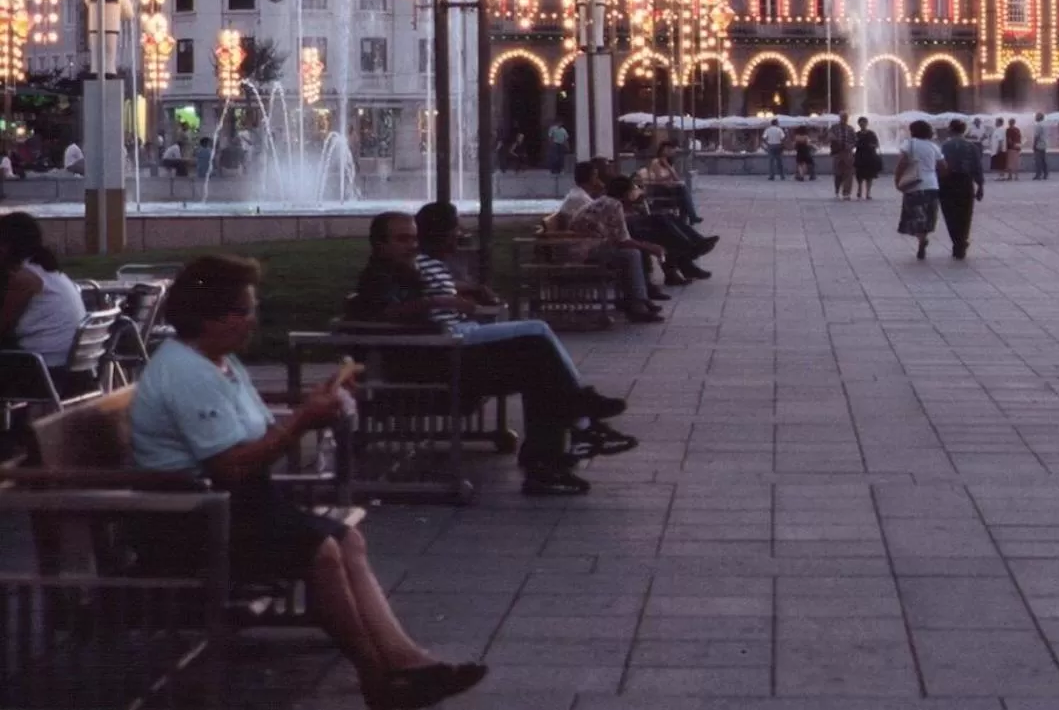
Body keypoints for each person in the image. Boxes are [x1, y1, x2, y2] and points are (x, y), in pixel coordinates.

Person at [131, 255, 488, 709]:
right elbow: (230, 467)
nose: (253, 321)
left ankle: (406, 660)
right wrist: (303, 421)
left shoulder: (218, 362)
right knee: (320, 552)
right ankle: (376, 676)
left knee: (347, 540)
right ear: (210, 317)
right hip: (193, 520)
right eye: (245, 311)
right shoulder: (187, 374)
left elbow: (257, 431)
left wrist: (314, 404)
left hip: (235, 506)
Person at [352, 212, 628, 495]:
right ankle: (566, 431)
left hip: (442, 358)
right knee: (535, 352)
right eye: (402, 239)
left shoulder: (401, 271)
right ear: (380, 244)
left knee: (536, 357)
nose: (412, 246)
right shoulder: (377, 278)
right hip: (426, 371)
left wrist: (447, 298)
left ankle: (551, 454)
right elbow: (384, 314)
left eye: (414, 239)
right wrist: (436, 301)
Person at [554, 164, 667, 321]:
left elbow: (616, 237)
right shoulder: (614, 205)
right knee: (632, 254)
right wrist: (651, 248)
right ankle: (637, 305)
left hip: (583, 247)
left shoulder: (604, 201)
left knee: (631, 252)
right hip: (583, 252)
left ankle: (637, 299)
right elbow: (623, 240)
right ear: (625, 193)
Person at [0, 212, 85, 382]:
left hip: (44, 369)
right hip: (70, 367)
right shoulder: (49, 272)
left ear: (6, 246)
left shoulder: (25, 278)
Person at [895, 119, 944, 260]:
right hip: (932, 185)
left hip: (914, 185)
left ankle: (921, 239)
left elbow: (902, 162)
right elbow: (943, 166)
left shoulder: (909, 144)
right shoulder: (933, 146)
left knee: (915, 216)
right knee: (928, 216)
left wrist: (897, 179)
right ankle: (923, 237)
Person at [937, 119, 985, 259]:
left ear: (950, 130)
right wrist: (980, 186)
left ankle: (956, 241)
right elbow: (977, 167)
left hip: (947, 183)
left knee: (950, 214)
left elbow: (939, 166)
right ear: (964, 130)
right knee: (965, 214)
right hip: (965, 182)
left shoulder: (944, 146)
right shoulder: (971, 147)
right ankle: (962, 240)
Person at [637, 140, 701, 224]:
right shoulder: (656, 162)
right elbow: (658, 179)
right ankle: (691, 217)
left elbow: (677, 178)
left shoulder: (669, 163)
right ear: (662, 150)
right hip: (659, 190)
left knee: (683, 195)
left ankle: (686, 220)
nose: (670, 151)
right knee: (683, 192)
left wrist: (668, 166)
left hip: (670, 189)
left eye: (671, 149)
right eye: (667, 149)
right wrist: (669, 175)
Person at [852, 116, 881, 199]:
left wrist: (872, 145)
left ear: (867, 124)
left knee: (870, 176)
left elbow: (877, 144)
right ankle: (859, 189)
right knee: (859, 175)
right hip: (860, 156)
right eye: (861, 123)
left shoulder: (871, 133)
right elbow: (853, 144)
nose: (862, 125)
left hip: (870, 156)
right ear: (858, 124)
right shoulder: (857, 134)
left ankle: (868, 193)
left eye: (864, 123)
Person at [829, 113, 854, 200]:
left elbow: (855, 140)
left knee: (848, 173)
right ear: (840, 118)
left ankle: (846, 193)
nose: (844, 119)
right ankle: (837, 190)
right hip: (837, 153)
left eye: (846, 117)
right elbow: (829, 136)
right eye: (843, 117)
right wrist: (833, 139)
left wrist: (850, 146)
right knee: (838, 173)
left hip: (847, 153)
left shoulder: (850, 128)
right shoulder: (834, 128)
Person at [1031, 112, 1051, 180]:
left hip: (1039, 144)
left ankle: (1038, 175)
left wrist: (1034, 144)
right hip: (1044, 144)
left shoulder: (1038, 125)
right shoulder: (1045, 124)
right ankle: (1046, 174)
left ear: (1039, 117)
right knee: (1043, 160)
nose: (1035, 117)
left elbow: (1036, 136)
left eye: (1036, 116)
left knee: (1038, 160)